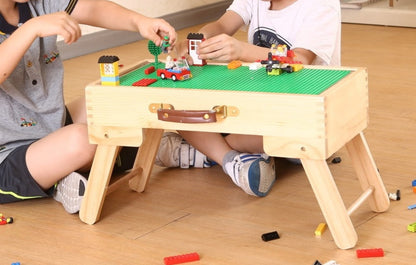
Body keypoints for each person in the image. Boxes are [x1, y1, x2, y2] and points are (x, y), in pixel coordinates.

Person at [0, 0, 176, 213]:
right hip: (7, 154)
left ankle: (66, 173)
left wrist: (140, 22)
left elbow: (93, 8)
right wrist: (31, 28)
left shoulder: (38, 3)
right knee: (84, 140)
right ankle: (150, 151)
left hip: (50, 127)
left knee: (113, 99)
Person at [156, 0, 341, 197]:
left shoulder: (321, 5)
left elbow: (301, 59)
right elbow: (222, 25)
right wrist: (200, 40)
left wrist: (243, 51)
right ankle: (233, 159)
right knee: (181, 106)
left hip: (303, 111)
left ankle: (207, 153)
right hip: (260, 103)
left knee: (292, 134)